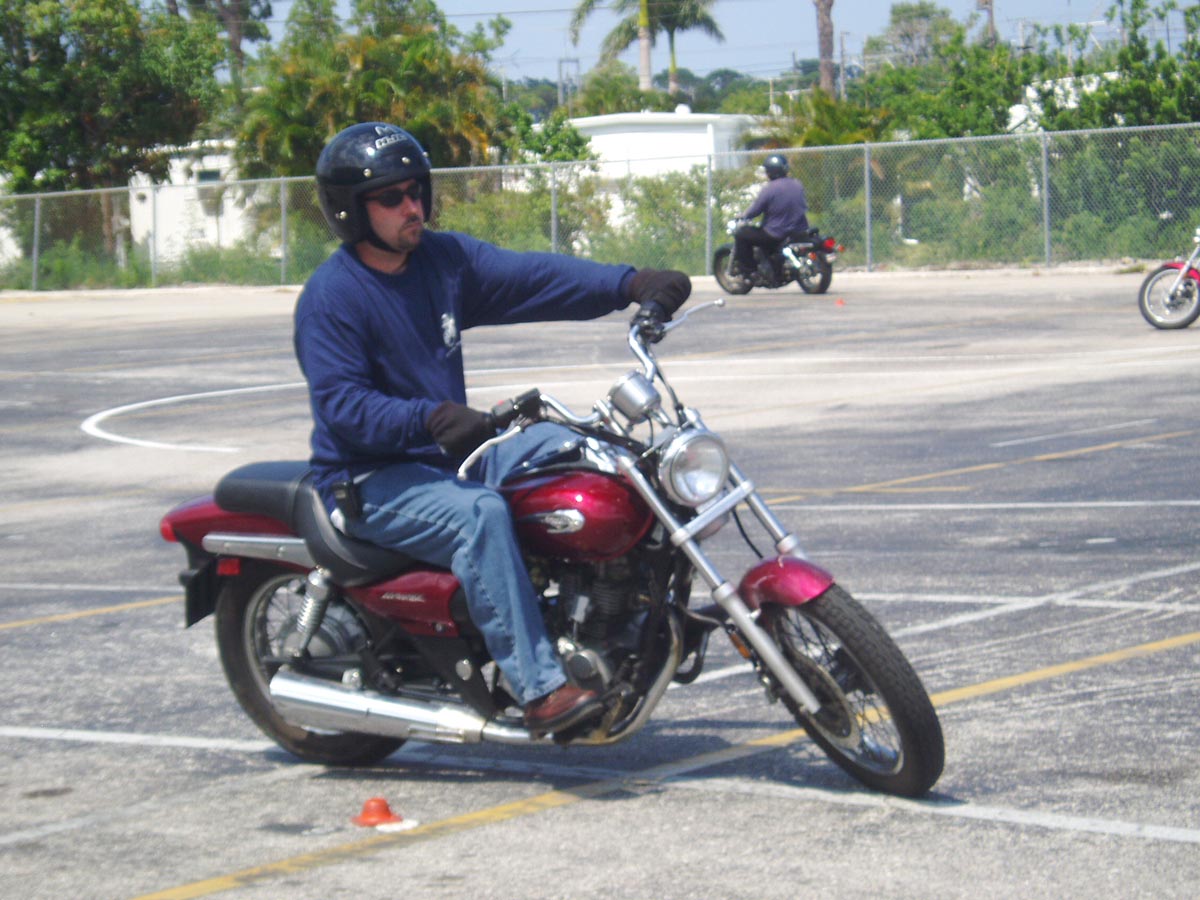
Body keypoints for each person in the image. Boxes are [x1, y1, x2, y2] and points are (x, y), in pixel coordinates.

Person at [293, 122, 691, 735]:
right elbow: (343, 406)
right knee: (479, 515)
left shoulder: (440, 261)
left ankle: (629, 614)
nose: (412, 207)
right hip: (370, 477)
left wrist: (628, 284)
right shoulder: (332, 297)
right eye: (391, 198)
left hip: (449, 454)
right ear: (350, 210)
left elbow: (533, 276)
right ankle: (540, 689)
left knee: (585, 453)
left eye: (416, 191)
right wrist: (427, 417)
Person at [732, 153, 809, 277]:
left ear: (769, 172)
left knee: (741, 234)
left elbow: (755, 210)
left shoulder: (769, 189)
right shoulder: (797, 184)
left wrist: (744, 215)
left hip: (775, 233)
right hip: (798, 230)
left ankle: (749, 271)